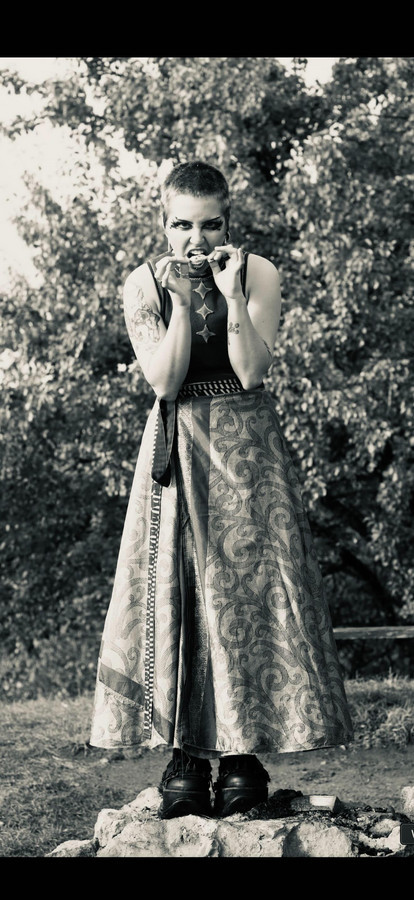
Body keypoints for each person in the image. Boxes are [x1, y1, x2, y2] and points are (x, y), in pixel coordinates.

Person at [89, 160, 353, 819]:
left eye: (210, 225)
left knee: (249, 594)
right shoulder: (142, 284)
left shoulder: (259, 273)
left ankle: (242, 757)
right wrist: (181, 302)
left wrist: (231, 296)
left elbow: (251, 370)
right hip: (177, 449)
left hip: (248, 449)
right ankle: (184, 755)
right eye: (182, 225)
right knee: (176, 590)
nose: (196, 240)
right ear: (164, 223)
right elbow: (164, 381)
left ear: (227, 222)